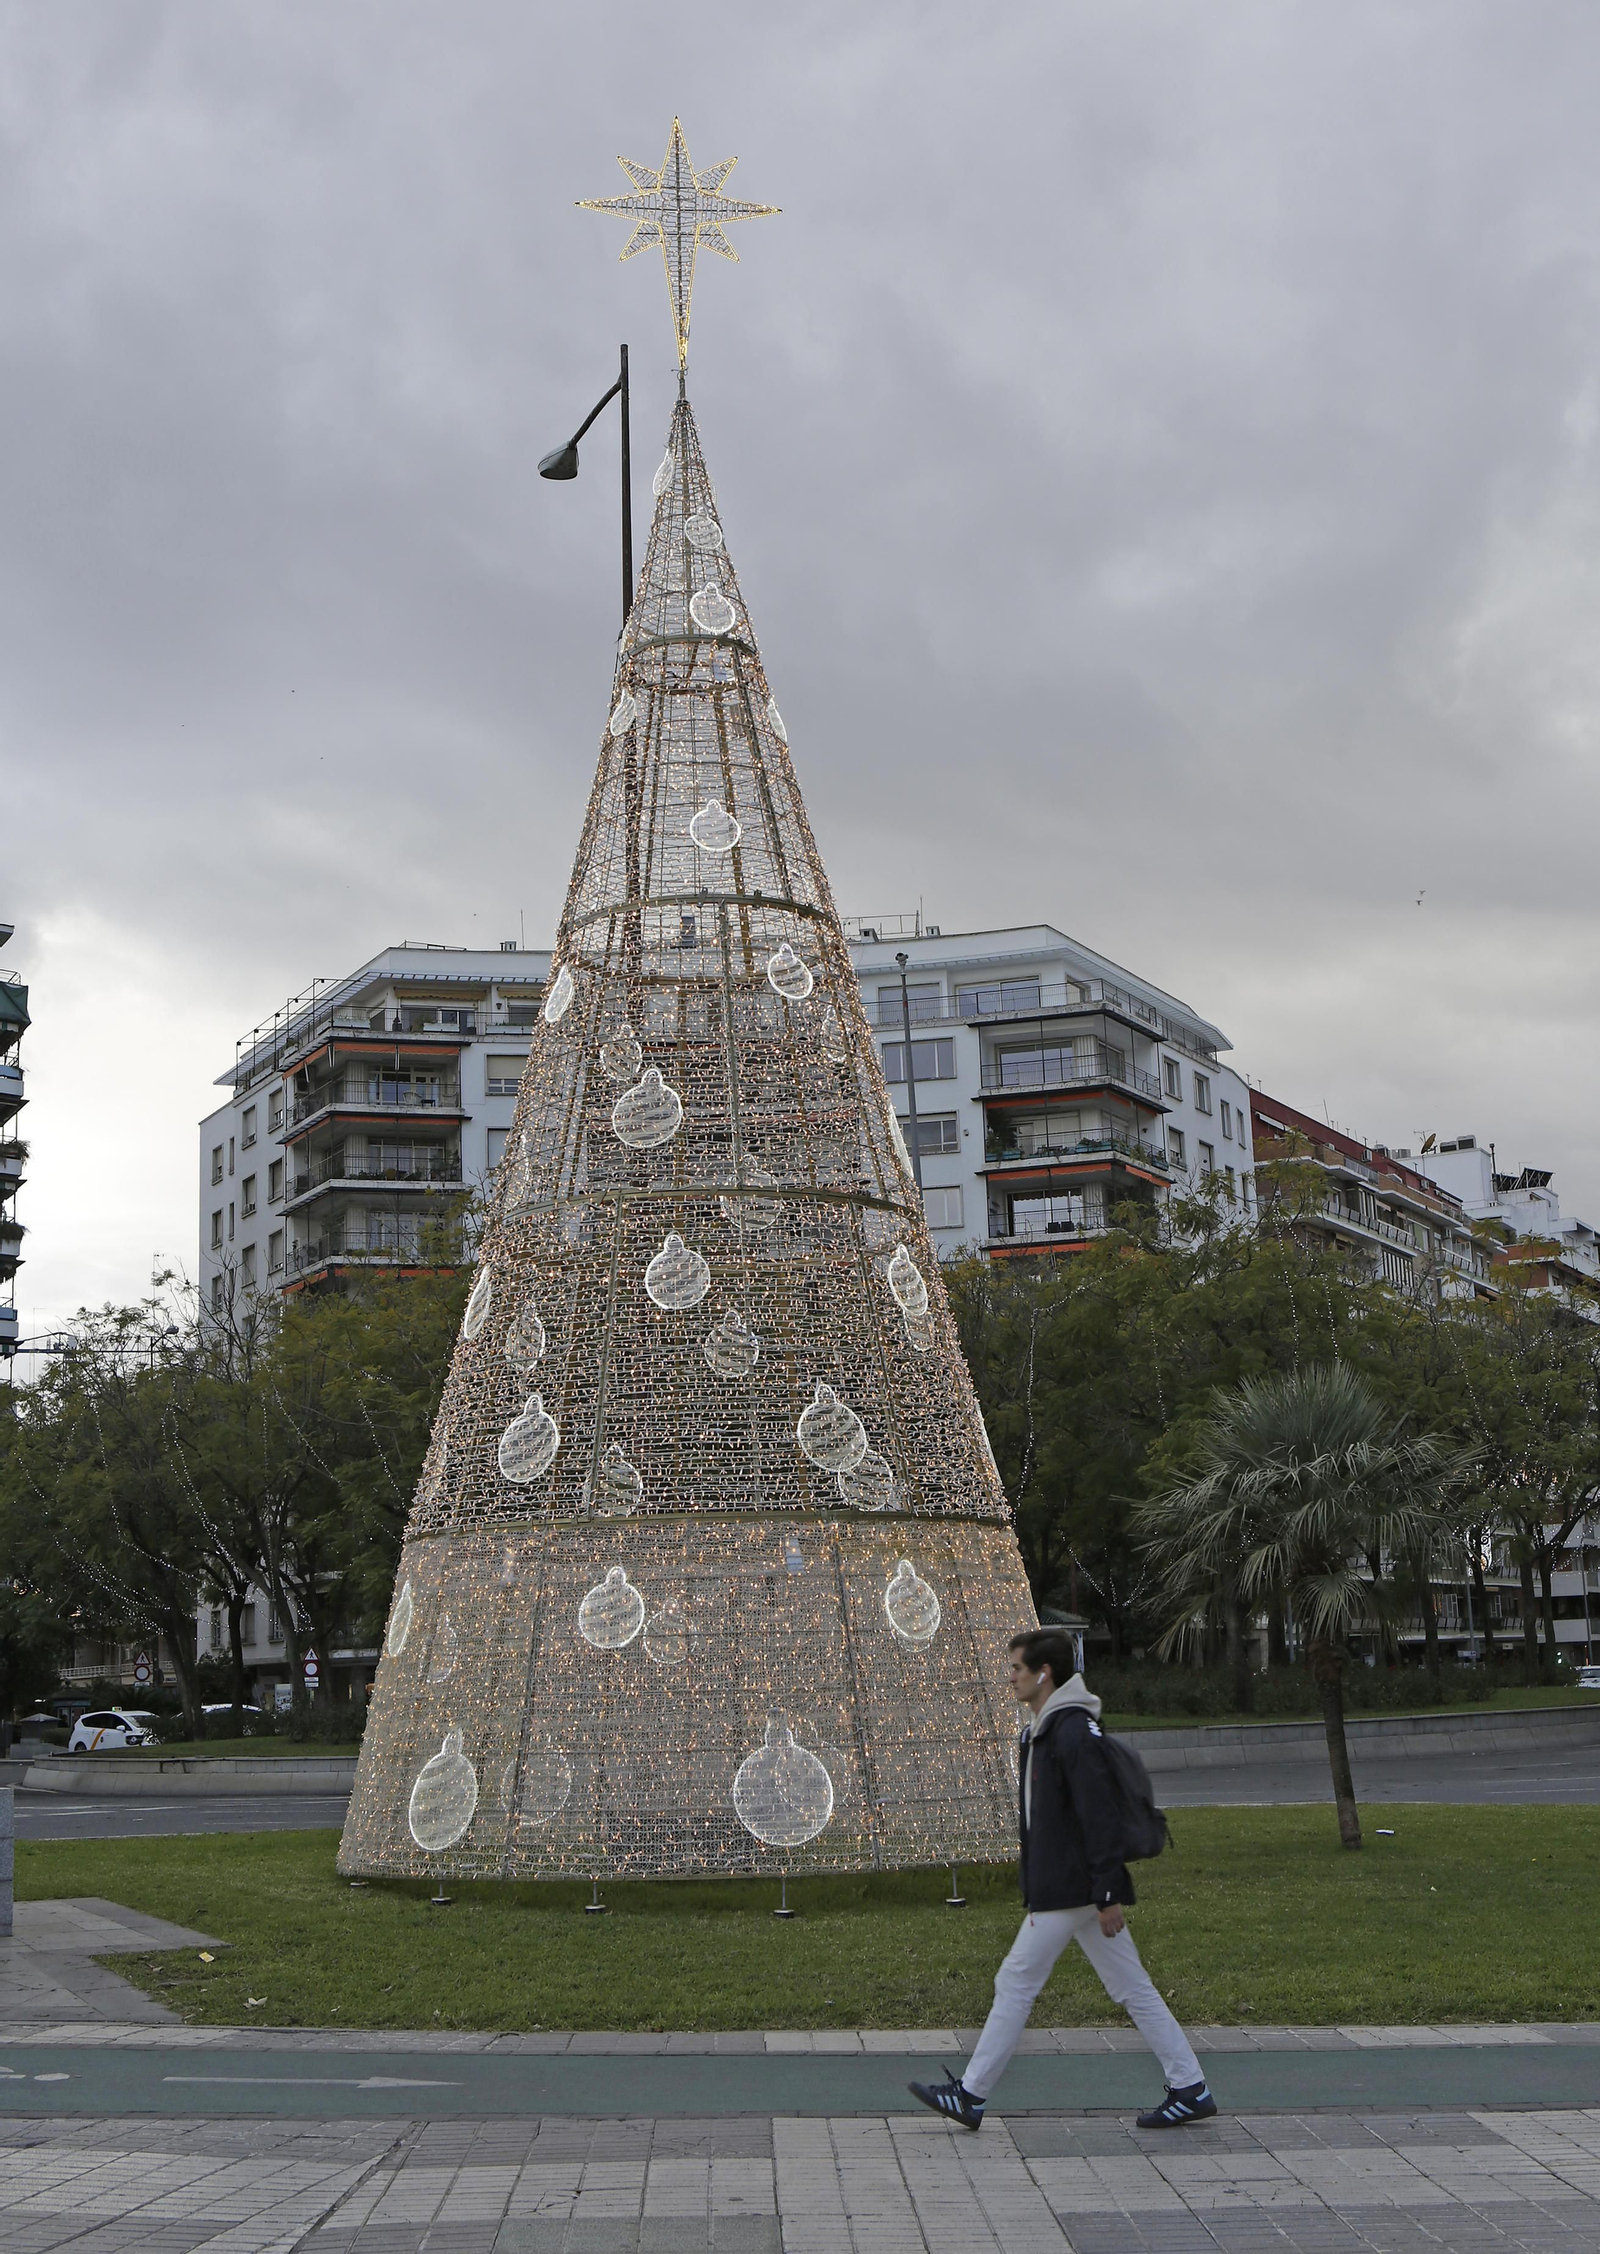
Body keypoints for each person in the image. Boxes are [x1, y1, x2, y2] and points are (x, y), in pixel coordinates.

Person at [910, 1627, 1217, 2132]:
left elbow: (1098, 1819)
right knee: (1131, 1986)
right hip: (1074, 1888)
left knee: (1015, 1982)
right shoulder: (1047, 1728)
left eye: (1016, 1668)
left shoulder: (1071, 1731)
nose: (1009, 1677)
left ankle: (971, 2095)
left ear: (1043, 1672)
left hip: (1071, 1889)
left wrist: (1108, 1893)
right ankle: (1191, 2086)